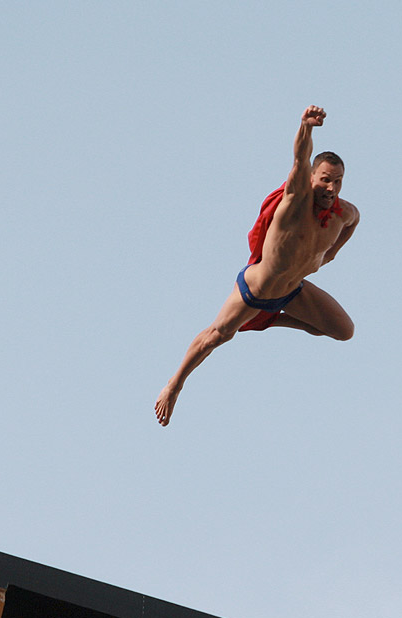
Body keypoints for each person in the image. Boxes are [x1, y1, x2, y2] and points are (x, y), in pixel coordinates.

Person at [154, 105, 360, 426]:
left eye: (338, 182)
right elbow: (299, 158)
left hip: (292, 291)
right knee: (217, 336)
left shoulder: (343, 214)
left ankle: (270, 321)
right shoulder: (296, 200)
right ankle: (175, 384)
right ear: (310, 179)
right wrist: (306, 128)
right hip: (255, 288)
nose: (331, 188)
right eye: (325, 180)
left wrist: (332, 254)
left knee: (342, 331)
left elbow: (354, 221)